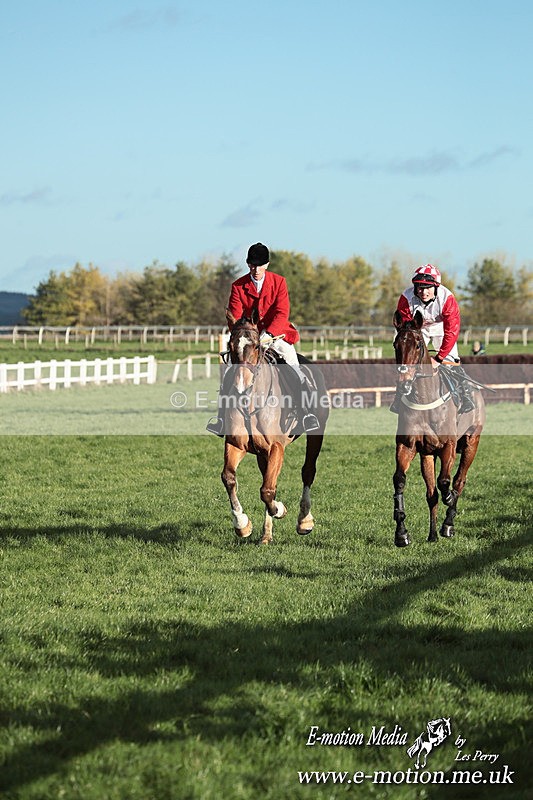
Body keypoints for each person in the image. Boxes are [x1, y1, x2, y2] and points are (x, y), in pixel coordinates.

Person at [206, 243, 320, 435]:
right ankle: (220, 420)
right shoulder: (238, 286)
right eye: (252, 265)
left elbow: (282, 313)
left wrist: (268, 334)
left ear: (267, 264)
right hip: (249, 339)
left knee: (293, 365)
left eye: (260, 265)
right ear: (248, 264)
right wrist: (243, 335)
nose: (256, 270)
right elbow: (234, 315)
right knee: (229, 373)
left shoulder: (279, 282)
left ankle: (306, 413)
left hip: (276, 335)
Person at [391, 264, 475, 414]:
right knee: (408, 360)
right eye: (420, 287)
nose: (423, 292)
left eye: (428, 287)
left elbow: (451, 331)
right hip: (418, 329)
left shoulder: (447, 299)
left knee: (452, 361)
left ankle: (466, 395)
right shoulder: (406, 297)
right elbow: (405, 329)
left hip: (442, 329)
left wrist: (439, 358)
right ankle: (399, 396)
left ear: (436, 287)